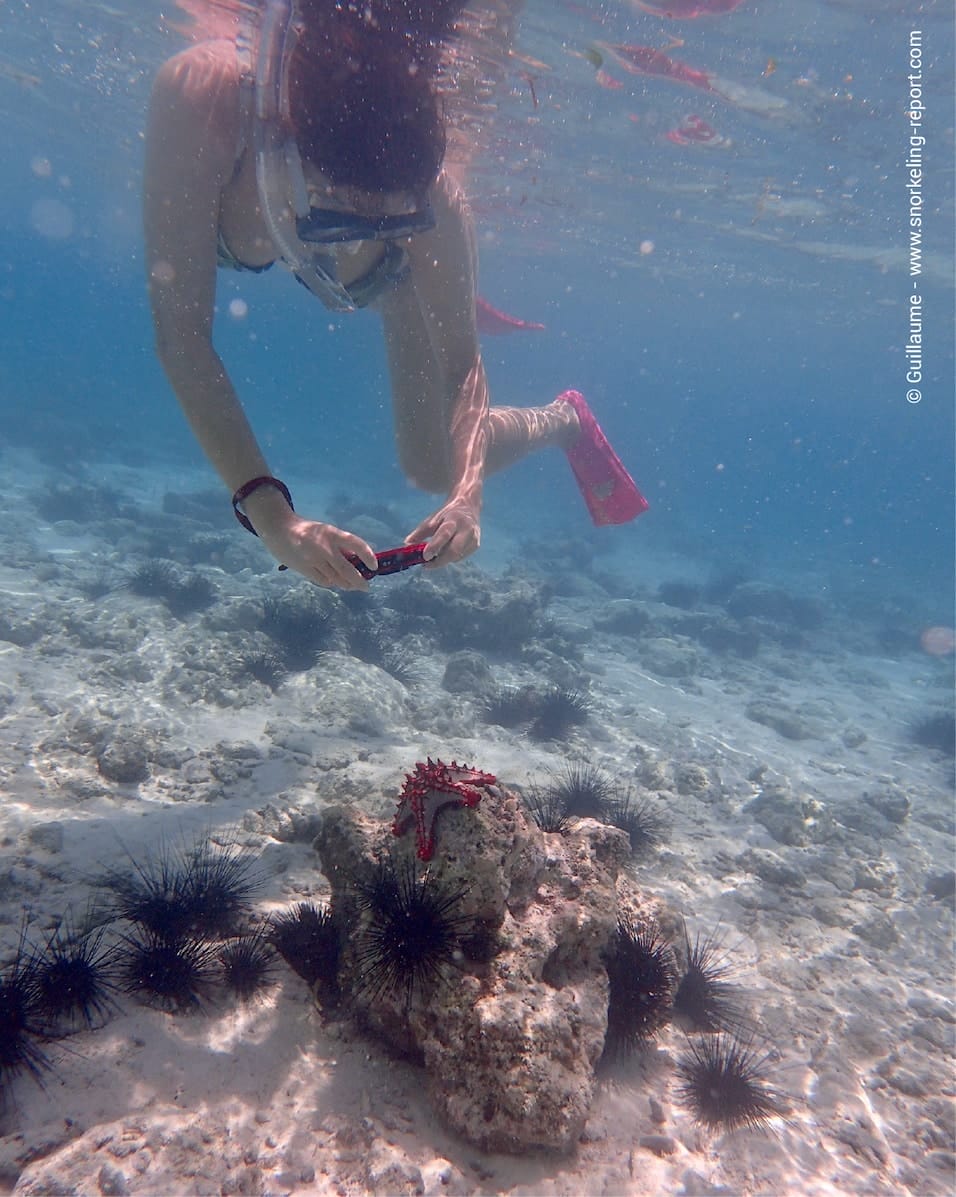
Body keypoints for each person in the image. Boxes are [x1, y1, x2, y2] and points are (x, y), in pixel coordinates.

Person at [144, 0, 646, 592]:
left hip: (396, 273)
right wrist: (271, 515)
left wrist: (467, 498)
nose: (362, 226)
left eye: (392, 217)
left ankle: (565, 420)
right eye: (342, 215)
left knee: (434, 464)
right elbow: (182, 336)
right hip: (264, 184)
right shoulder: (203, 100)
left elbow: (464, 366)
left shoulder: (434, 203)